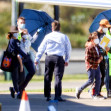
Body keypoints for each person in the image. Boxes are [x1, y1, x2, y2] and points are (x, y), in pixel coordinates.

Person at [35, 20, 71, 101]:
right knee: (58, 77)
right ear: (60, 28)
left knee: (48, 76)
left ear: (52, 28)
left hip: (49, 57)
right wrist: (67, 59)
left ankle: (48, 95)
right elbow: (68, 49)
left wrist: (37, 58)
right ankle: (57, 96)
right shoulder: (64, 37)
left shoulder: (48, 36)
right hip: (58, 58)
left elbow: (41, 48)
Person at [9, 17, 36, 99]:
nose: (23, 24)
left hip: (26, 55)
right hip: (19, 57)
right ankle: (19, 91)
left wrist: (29, 34)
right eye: (21, 22)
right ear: (17, 23)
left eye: (23, 22)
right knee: (21, 77)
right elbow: (17, 44)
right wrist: (21, 34)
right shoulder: (15, 32)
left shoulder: (26, 32)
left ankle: (16, 89)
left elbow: (31, 40)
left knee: (32, 71)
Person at [75, 32, 104, 99]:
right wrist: (97, 61)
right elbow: (87, 58)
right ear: (91, 39)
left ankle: (96, 94)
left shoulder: (96, 46)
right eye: (95, 38)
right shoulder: (89, 47)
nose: (97, 39)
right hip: (91, 66)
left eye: (97, 38)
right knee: (90, 80)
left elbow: (98, 54)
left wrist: (100, 57)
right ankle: (79, 90)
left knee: (98, 79)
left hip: (97, 65)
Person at [6, 31, 27, 98]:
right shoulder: (12, 41)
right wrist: (24, 55)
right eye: (16, 33)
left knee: (22, 78)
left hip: (19, 61)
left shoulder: (17, 40)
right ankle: (18, 92)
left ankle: (13, 89)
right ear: (13, 34)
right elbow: (17, 50)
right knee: (15, 78)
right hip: (14, 62)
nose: (17, 34)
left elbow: (20, 42)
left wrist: (23, 36)